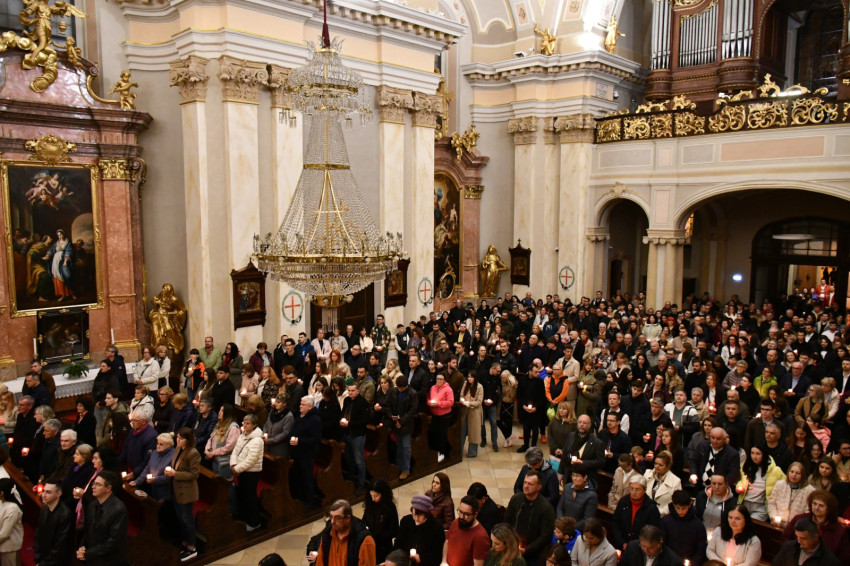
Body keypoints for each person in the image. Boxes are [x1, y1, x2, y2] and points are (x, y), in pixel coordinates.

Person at [504, 470, 556, 566]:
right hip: (512, 547)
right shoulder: (516, 499)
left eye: (530, 484)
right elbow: (507, 522)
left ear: (539, 487)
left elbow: (545, 536)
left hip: (533, 554)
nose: (526, 486)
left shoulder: (546, 508)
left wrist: (526, 550)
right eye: (525, 482)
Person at [782, 490, 850, 563]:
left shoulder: (838, 530)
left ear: (829, 509)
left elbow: (843, 557)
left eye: (821, 505)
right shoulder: (799, 519)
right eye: (814, 504)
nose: (816, 507)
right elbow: (786, 539)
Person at [77, 470, 128, 566]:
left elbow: (113, 541)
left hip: (109, 560)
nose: (93, 487)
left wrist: (89, 553)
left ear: (108, 488)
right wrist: (82, 547)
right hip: (93, 556)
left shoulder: (119, 509)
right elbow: (87, 530)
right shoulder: (92, 505)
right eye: (93, 483)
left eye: (98, 484)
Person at [167, 427, 201, 562]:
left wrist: (175, 474)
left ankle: (192, 547)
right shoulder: (178, 449)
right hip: (176, 489)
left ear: (188, 440)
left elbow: (194, 474)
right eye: (177, 437)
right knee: (181, 518)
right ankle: (185, 542)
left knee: (187, 519)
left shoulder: (193, 453)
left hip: (186, 491)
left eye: (181, 438)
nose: (178, 440)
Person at [316, 499, 376, 566]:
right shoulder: (328, 532)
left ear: (348, 518)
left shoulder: (365, 541)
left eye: (337, 518)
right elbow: (320, 562)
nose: (332, 521)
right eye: (331, 517)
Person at [229, 413, 264, 531]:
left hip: (251, 473)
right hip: (240, 471)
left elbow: (251, 460)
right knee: (242, 495)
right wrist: (233, 464)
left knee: (250, 497)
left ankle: (254, 522)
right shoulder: (243, 435)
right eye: (244, 422)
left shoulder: (257, 440)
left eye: (248, 423)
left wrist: (237, 469)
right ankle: (244, 518)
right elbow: (235, 451)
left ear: (254, 425)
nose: (245, 425)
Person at [611, 475, 661, 550]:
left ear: (644, 490)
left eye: (637, 489)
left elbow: (652, 532)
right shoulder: (623, 501)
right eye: (631, 488)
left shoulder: (651, 508)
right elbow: (616, 522)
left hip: (641, 548)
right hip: (622, 544)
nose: (634, 492)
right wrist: (621, 542)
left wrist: (636, 546)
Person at [395, 494, 446, 566]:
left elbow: (437, 555)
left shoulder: (437, 528)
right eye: (413, 514)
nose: (416, 518)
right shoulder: (406, 521)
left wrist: (421, 558)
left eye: (420, 515)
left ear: (427, 514)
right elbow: (398, 544)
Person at [290, 395, 322, 509]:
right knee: (297, 476)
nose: (300, 406)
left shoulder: (315, 420)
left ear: (309, 406)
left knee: (306, 477)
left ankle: (309, 501)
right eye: (300, 404)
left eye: (303, 405)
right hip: (297, 452)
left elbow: (316, 438)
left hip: (307, 454)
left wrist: (299, 441)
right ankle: (298, 497)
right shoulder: (300, 416)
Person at [660, 490, 708, 566]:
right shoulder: (665, 522)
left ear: (689, 505)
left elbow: (700, 548)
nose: (680, 511)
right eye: (678, 508)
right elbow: (662, 545)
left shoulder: (697, 524)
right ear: (673, 505)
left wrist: (693, 563)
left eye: (684, 508)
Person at [555, 414, 606, 484]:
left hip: (585, 479)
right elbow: (564, 455)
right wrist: (560, 473)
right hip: (569, 475)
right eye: (580, 422)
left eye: (585, 423)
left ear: (590, 425)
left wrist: (583, 463)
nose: (581, 425)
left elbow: (601, 462)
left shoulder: (597, 443)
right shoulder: (571, 436)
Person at [443, 495, 491, 566]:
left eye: (466, 514)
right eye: (460, 512)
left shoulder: (481, 537)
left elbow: (478, 565)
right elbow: (447, 542)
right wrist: (444, 561)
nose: (461, 517)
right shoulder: (456, 522)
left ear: (475, 514)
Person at [34, 480, 73, 566]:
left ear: (59, 494)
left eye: (48, 492)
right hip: (42, 556)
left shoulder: (65, 515)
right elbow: (38, 533)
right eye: (44, 491)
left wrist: (43, 564)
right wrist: (38, 557)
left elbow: (60, 545)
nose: (43, 495)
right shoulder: (44, 509)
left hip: (57, 562)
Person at [772, 518, 841, 566]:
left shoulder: (829, 561)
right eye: (797, 536)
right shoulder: (789, 547)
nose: (799, 541)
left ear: (816, 537)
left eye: (803, 538)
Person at [340, 382, 369, 491]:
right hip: (347, 433)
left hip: (357, 435)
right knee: (348, 458)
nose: (350, 393)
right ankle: (350, 478)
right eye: (349, 390)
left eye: (353, 391)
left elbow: (364, 421)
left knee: (359, 460)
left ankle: (361, 483)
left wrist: (349, 424)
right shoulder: (347, 400)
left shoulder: (363, 402)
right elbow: (343, 412)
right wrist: (341, 420)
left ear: (358, 391)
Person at [362, 480, 398, 562]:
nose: (373, 499)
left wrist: (376, 536)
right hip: (371, 544)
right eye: (371, 496)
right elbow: (364, 520)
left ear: (383, 494)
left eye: (376, 496)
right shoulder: (370, 504)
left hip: (384, 546)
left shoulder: (390, 507)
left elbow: (394, 530)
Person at [129, 433, 173, 501]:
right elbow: (147, 469)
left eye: (161, 444)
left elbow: (169, 477)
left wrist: (155, 480)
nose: (158, 446)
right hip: (153, 490)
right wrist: (137, 481)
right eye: (157, 443)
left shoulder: (172, 457)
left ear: (169, 445)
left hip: (165, 493)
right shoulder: (155, 453)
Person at [644, 451, 682, 516]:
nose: (657, 466)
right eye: (655, 463)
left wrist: (656, 512)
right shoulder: (647, 474)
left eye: (660, 465)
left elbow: (675, 503)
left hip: (663, 516)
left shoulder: (676, 481)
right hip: (645, 513)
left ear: (668, 466)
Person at [460, 371, 485, 457]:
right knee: (462, 431)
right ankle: (459, 451)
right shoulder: (465, 384)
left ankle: (472, 453)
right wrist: (462, 400)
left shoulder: (480, 387)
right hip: (465, 411)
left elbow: (479, 402)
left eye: (471, 377)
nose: (469, 378)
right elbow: (462, 394)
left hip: (474, 412)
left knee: (474, 432)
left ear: (475, 378)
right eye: (468, 377)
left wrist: (469, 403)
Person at [263, 392, 294, 458]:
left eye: (278, 402)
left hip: (278, 448)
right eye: (276, 401)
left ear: (284, 404)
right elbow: (266, 424)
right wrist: (264, 434)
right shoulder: (272, 411)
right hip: (267, 445)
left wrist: (271, 440)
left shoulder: (289, 416)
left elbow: (285, 433)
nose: (276, 404)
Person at [0, 478, 22, 566]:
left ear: (1, 493)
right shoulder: (3, 503)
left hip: (9, 548)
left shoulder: (12, 508)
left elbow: (5, 533)